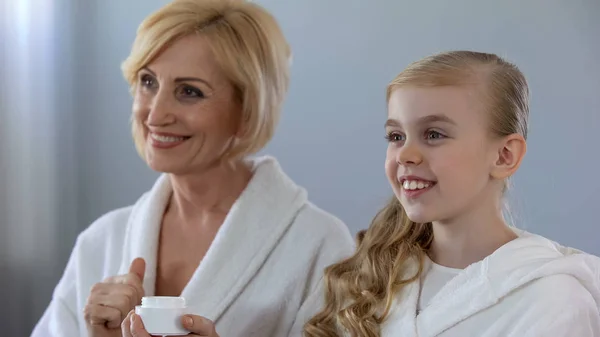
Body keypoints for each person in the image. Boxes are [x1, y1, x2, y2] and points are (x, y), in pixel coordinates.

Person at [30, 0, 355, 336]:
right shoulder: (100, 242)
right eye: (148, 82)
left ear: (247, 111)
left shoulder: (320, 246)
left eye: (189, 91)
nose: (155, 115)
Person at [303, 50, 600, 337]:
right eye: (396, 136)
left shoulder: (553, 301)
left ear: (504, 156)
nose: (405, 154)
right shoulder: (376, 276)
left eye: (434, 134)